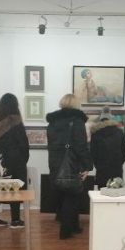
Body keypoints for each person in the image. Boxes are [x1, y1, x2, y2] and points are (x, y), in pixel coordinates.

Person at [46, 94, 93, 239]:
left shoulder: (53, 122)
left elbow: (52, 144)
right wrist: (87, 165)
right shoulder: (77, 121)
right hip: (71, 163)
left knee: (63, 194)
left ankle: (74, 226)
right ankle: (66, 231)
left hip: (55, 163)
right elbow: (81, 146)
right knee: (72, 196)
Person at [0, 93, 29, 228]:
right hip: (14, 161)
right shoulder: (16, 123)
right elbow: (24, 145)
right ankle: (15, 220)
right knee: (15, 189)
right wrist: (23, 160)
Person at [89, 107, 125, 189]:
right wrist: (120, 161)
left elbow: (92, 152)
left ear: (100, 119)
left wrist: (98, 164)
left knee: (101, 193)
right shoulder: (119, 132)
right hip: (116, 169)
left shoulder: (96, 133)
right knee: (116, 193)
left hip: (101, 170)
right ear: (111, 119)